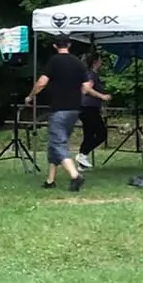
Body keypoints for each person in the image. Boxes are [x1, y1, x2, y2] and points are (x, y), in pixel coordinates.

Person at [27, 36, 91, 191]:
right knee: (54, 144)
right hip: (74, 109)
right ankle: (50, 180)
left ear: (55, 46)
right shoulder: (78, 62)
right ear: (69, 45)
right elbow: (87, 86)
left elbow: (42, 83)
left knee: (58, 143)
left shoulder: (54, 61)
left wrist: (30, 96)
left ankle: (75, 176)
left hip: (59, 109)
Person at [77, 52, 112, 167]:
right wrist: (102, 96)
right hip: (88, 108)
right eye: (100, 60)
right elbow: (86, 89)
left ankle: (82, 162)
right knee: (102, 134)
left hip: (86, 108)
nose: (102, 62)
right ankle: (82, 155)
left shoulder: (89, 74)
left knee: (89, 135)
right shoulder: (91, 75)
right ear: (95, 62)